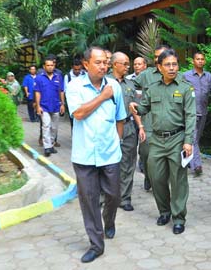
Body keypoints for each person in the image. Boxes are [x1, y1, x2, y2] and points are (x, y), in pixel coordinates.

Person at [66, 46, 126, 263]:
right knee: (89, 200)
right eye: (98, 62)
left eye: (105, 62)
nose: (103, 66)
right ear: (86, 64)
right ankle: (96, 244)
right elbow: (79, 113)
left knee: (114, 195)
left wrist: (118, 141)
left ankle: (108, 221)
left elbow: (121, 117)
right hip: (84, 156)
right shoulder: (74, 86)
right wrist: (102, 96)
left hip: (110, 152)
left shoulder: (114, 87)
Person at [130, 49, 196, 235]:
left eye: (174, 64)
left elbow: (191, 116)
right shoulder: (153, 89)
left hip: (177, 139)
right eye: (167, 64)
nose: (172, 68)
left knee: (178, 181)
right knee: (156, 177)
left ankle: (179, 217)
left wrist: (188, 141)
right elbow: (143, 108)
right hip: (157, 140)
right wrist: (135, 107)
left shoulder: (185, 88)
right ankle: (164, 211)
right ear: (159, 67)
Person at [107, 52, 145, 212]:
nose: (128, 67)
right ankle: (105, 197)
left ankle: (125, 198)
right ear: (115, 64)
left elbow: (134, 107)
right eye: (125, 64)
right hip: (109, 128)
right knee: (108, 164)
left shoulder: (131, 84)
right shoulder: (105, 82)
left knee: (128, 164)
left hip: (129, 128)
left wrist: (140, 126)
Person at [183, 51, 211, 176]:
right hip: (189, 113)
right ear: (193, 61)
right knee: (193, 138)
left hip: (203, 113)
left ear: (204, 61)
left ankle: (188, 160)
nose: (200, 61)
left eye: (202, 59)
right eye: (198, 59)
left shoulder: (208, 76)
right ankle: (197, 165)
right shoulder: (185, 76)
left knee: (195, 138)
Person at [133, 45, 169, 191]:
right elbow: (130, 85)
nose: (156, 59)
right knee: (146, 154)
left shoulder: (174, 75)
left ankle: (160, 184)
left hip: (167, 123)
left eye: (159, 56)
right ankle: (148, 177)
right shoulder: (146, 75)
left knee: (164, 159)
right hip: (148, 123)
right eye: (154, 57)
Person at [34, 56, 65, 157]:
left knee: (54, 127)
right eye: (48, 65)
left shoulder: (58, 77)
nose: (50, 67)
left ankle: (51, 145)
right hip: (44, 106)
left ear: (54, 66)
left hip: (56, 106)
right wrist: (38, 106)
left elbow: (61, 91)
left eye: (52, 65)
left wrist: (63, 104)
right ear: (44, 66)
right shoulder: (39, 78)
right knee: (46, 126)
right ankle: (47, 147)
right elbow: (37, 92)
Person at [64, 58, 86, 129]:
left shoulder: (85, 74)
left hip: (83, 101)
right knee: (73, 122)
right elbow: (65, 91)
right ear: (72, 68)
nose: (77, 71)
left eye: (79, 69)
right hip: (73, 102)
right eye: (75, 69)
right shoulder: (68, 76)